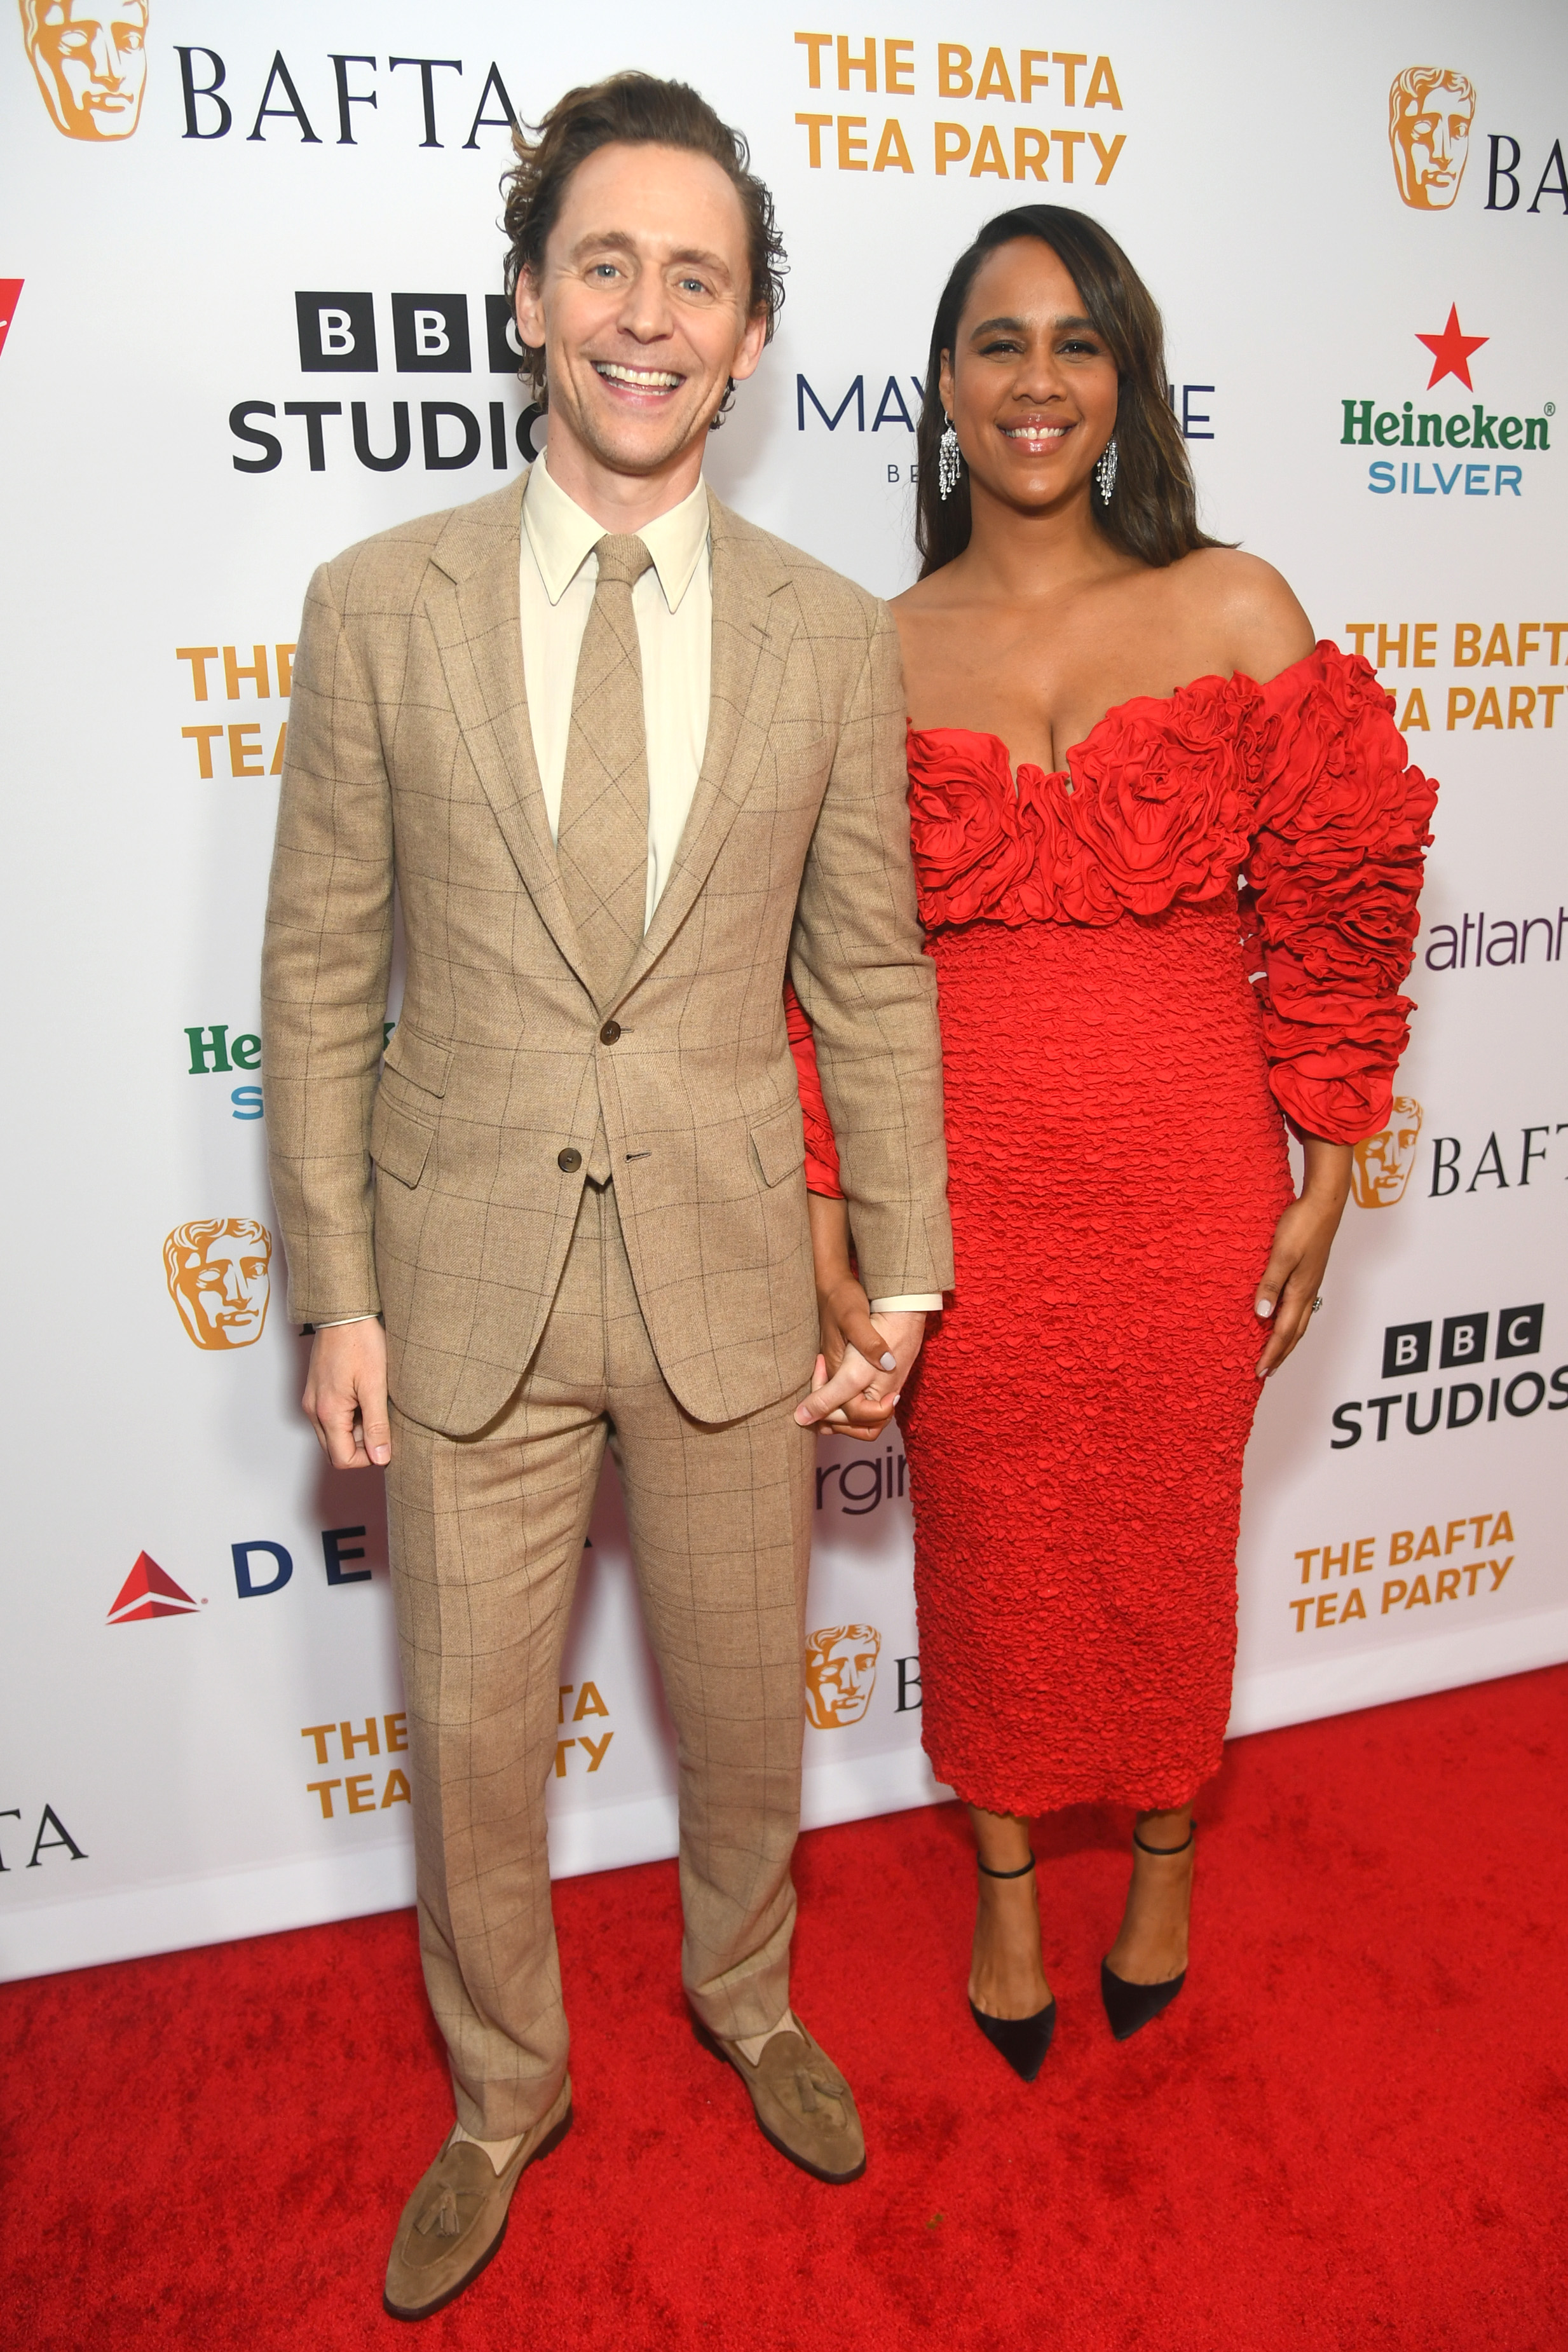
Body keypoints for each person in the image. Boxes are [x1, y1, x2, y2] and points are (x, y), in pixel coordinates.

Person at [262, 73, 951, 2321]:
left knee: (744, 1706)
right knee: (471, 1737)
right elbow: (319, 972)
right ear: (529, 298)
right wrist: (335, 1289)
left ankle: (747, 1991)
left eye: (697, 279)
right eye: (606, 266)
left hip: (730, 1272)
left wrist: (906, 1264)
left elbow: (866, 970)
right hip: (461, 1275)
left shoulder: (831, 632)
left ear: (748, 336)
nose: (647, 316)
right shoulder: (376, 604)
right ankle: (499, 2091)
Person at [791, 205, 1435, 2080]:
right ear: (942, 383)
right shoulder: (866, 649)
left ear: (1128, 379)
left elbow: (1340, 904)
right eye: (999, 341)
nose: (1038, 379)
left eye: (1077, 342)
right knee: (989, 1558)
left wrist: (1329, 1167)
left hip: (1185, 1184)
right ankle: (1005, 1891)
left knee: (1167, 1542)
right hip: (962, 1203)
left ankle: (1163, 1861)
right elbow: (821, 967)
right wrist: (829, 1203)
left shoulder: (1235, 607)